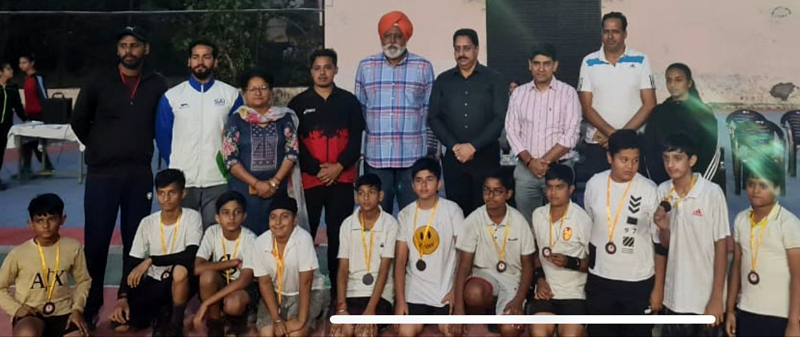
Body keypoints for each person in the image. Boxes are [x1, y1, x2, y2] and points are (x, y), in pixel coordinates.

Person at [69, 26, 169, 327]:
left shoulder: (157, 84)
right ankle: (91, 305)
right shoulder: (99, 81)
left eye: (135, 45)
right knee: (96, 242)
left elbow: (163, 124)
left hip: (138, 173)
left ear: (145, 50)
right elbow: (78, 121)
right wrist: (101, 148)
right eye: (124, 45)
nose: (129, 50)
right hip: (102, 174)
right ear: (118, 50)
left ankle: (130, 300)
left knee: (136, 242)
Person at [289, 48, 365, 299]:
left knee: (338, 235)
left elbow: (356, 141)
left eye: (328, 67)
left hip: (342, 179)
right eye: (317, 68)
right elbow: (293, 143)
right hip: (310, 181)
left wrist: (339, 166)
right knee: (303, 234)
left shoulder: (349, 101)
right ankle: (301, 289)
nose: (323, 72)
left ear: (336, 69)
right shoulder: (298, 104)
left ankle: (337, 291)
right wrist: (317, 169)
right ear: (311, 71)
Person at [156, 40, 244, 229]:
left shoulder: (230, 95)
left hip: (218, 180)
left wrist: (228, 168)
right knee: (185, 237)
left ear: (215, 62)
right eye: (195, 57)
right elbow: (163, 138)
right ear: (189, 62)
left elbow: (239, 136)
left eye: (206, 57)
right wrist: (176, 167)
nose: (200, 62)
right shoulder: (172, 96)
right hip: (183, 181)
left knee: (215, 237)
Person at [582, 130, 662, 336]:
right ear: (610, 157)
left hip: (638, 281)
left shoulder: (649, 189)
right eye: (624, 160)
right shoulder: (595, 184)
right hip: (601, 279)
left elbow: (660, 243)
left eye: (635, 160)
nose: (630, 166)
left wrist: (658, 288)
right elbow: (590, 222)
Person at [355, 11, 436, 213]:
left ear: (406, 37)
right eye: (387, 35)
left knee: (415, 215)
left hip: (413, 158)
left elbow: (430, 112)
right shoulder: (366, 67)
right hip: (377, 158)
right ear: (381, 37)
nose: (392, 41)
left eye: (398, 35)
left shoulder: (423, 67)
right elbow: (360, 110)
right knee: (378, 216)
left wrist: (432, 154)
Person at [108, 169, 203, 336]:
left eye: (172, 193)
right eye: (161, 194)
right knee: (119, 324)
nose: (166, 199)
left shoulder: (192, 217)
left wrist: (151, 260)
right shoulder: (148, 222)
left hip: (182, 280)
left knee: (180, 271)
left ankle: (175, 324)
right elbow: (133, 262)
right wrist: (122, 297)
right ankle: (161, 314)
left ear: (183, 193)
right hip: (155, 282)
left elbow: (190, 255)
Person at [652, 134, 728, 336]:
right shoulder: (662, 191)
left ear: (692, 160)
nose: (670, 164)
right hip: (675, 296)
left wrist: (717, 298)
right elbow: (665, 245)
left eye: (677, 158)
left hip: (705, 297)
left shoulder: (711, 193)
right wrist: (663, 228)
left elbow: (721, 246)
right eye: (666, 158)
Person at [428, 28, 508, 215]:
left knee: (487, 211)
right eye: (457, 49)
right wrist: (455, 146)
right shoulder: (443, 80)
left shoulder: (494, 79)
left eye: (466, 48)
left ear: (477, 49)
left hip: (486, 158)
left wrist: (473, 146)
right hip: (454, 160)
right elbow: (433, 117)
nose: (461, 54)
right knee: (457, 212)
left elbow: (499, 118)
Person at [505, 43, 581, 224]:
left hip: (559, 169)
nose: (541, 68)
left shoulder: (568, 93)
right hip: (526, 171)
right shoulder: (518, 94)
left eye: (546, 63)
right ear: (529, 65)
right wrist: (531, 162)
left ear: (555, 65)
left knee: (560, 224)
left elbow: (571, 133)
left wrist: (544, 162)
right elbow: (511, 131)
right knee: (527, 225)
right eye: (536, 63)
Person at [222, 67, 304, 235]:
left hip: (277, 191)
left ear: (271, 91)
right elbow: (230, 158)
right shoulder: (236, 120)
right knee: (246, 237)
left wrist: (274, 182)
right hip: (244, 191)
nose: (258, 93)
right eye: (252, 89)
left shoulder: (284, 118)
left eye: (263, 88)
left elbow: (292, 152)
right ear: (244, 93)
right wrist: (256, 184)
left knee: (277, 235)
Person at [452, 172, 534, 337]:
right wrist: (459, 308)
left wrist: (519, 299)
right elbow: (463, 266)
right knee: (473, 294)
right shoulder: (474, 219)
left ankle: (510, 309)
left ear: (508, 194)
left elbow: (528, 265)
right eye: (487, 190)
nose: (490, 196)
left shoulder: (519, 221)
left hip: (512, 281)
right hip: (485, 277)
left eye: (497, 191)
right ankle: (490, 310)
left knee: (509, 330)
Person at [726, 158, 800, 337]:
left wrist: (793, 322)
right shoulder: (741, 220)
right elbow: (736, 266)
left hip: (779, 315)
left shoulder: (788, 223)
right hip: (746, 310)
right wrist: (730, 310)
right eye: (751, 184)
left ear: (777, 189)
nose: (756, 190)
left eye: (763, 185)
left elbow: (798, 276)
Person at [0, 194, 91, 337]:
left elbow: (83, 280)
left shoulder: (72, 247)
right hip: (31, 314)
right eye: (39, 221)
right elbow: (0, 286)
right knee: (26, 333)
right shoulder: (18, 253)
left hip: (64, 313)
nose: (46, 226)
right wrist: (16, 309)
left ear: (62, 219)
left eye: (52, 219)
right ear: (31, 223)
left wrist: (77, 309)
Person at [577, 12, 656, 175]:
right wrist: (614, 136)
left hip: (632, 145)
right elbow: (586, 107)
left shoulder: (641, 59)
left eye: (616, 31)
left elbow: (649, 104)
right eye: (606, 31)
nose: (610, 36)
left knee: (633, 195)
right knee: (600, 194)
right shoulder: (588, 61)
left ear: (625, 34)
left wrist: (620, 137)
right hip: (598, 144)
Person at [394, 157, 464, 337]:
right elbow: (400, 262)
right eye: (418, 180)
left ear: (439, 184)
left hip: (444, 291)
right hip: (415, 292)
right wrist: (401, 301)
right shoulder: (405, 214)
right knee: (405, 332)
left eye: (429, 180)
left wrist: (455, 292)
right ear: (412, 186)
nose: (423, 185)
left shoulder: (452, 210)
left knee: (450, 331)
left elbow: (463, 255)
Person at [244, 192, 330, 337]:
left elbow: (306, 282)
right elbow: (264, 283)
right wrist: (277, 320)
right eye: (273, 217)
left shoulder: (303, 239)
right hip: (277, 294)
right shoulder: (260, 243)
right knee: (267, 333)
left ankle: (316, 315)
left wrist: (300, 320)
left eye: (284, 216)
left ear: (295, 220)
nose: (277, 223)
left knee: (294, 333)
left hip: (308, 292)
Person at [330, 174, 399, 337]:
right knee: (341, 332)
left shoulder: (390, 224)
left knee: (364, 332)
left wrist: (370, 311)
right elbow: (342, 270)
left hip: (380, 296)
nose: (366, 198)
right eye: (361, 193)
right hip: (352, 293)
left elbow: (384, 270)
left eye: (371, 192)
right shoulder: (347, 224)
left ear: (381, 196)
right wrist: (341, 308)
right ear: (355, 197)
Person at [527, 164, 591, 337]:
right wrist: (539, 279)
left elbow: (595, 263)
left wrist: (570, 262)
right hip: (545, 292)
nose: (553, 193)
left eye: (559, 187)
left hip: (574, 293)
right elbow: (535, 253)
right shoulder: (538, 215)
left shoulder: (582, 219)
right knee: (538, 333)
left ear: (571, 189)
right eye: (549, 187)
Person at [192, 191, 258, 336]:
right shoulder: (212, 232)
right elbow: (197, 268)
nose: (231, 218)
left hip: (242, 289)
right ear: (217, 217)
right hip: (222, 284)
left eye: (237, 212)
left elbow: (245, 279)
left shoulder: (250, 239)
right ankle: (215, 323)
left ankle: (237, 322)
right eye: (225, 213)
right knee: (207, 276)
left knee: (234, 304)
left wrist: (206, 303)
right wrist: (232, 263)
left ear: (244, 216)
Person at [643, 63, 719, 185]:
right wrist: (661, 183)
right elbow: (650, 150)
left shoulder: (703, 113)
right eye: (669, 80)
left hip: (696, 186)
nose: (673, 85)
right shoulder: (658, 113)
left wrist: (697, 185)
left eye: (678, 80)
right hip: (664, 184)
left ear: (689, 83)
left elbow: (710, 151)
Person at [17, 54, 54, 178]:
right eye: (20, 63)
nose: (21, 65)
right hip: (30, 113)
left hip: (39, 114)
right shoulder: (26, 79)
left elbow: (43, 96)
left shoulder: (37, 78)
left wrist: (46, 113)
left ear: (32, 63)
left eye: (24, 62)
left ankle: (43, 166)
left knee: (35, 142)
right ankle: (35, 166)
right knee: (28, 141)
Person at [0, 61, 26, 190]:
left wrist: (25, 119)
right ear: (1, 72)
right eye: (8, 68)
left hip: (5, 125)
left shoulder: (12, 88)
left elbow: (18, 106)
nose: (11, 71)